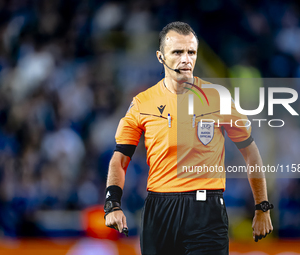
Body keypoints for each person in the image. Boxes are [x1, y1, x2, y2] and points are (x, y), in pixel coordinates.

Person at [104, 21, 273, 255]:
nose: (186, 59)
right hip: (159, 211)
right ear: (160, 56)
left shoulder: (218, 97)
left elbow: (251, 152)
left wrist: (262, 207)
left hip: (207, 211)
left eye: (191, 52)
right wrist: (112, 204)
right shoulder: (143, 102)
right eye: (177, 52)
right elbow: (120, 159)